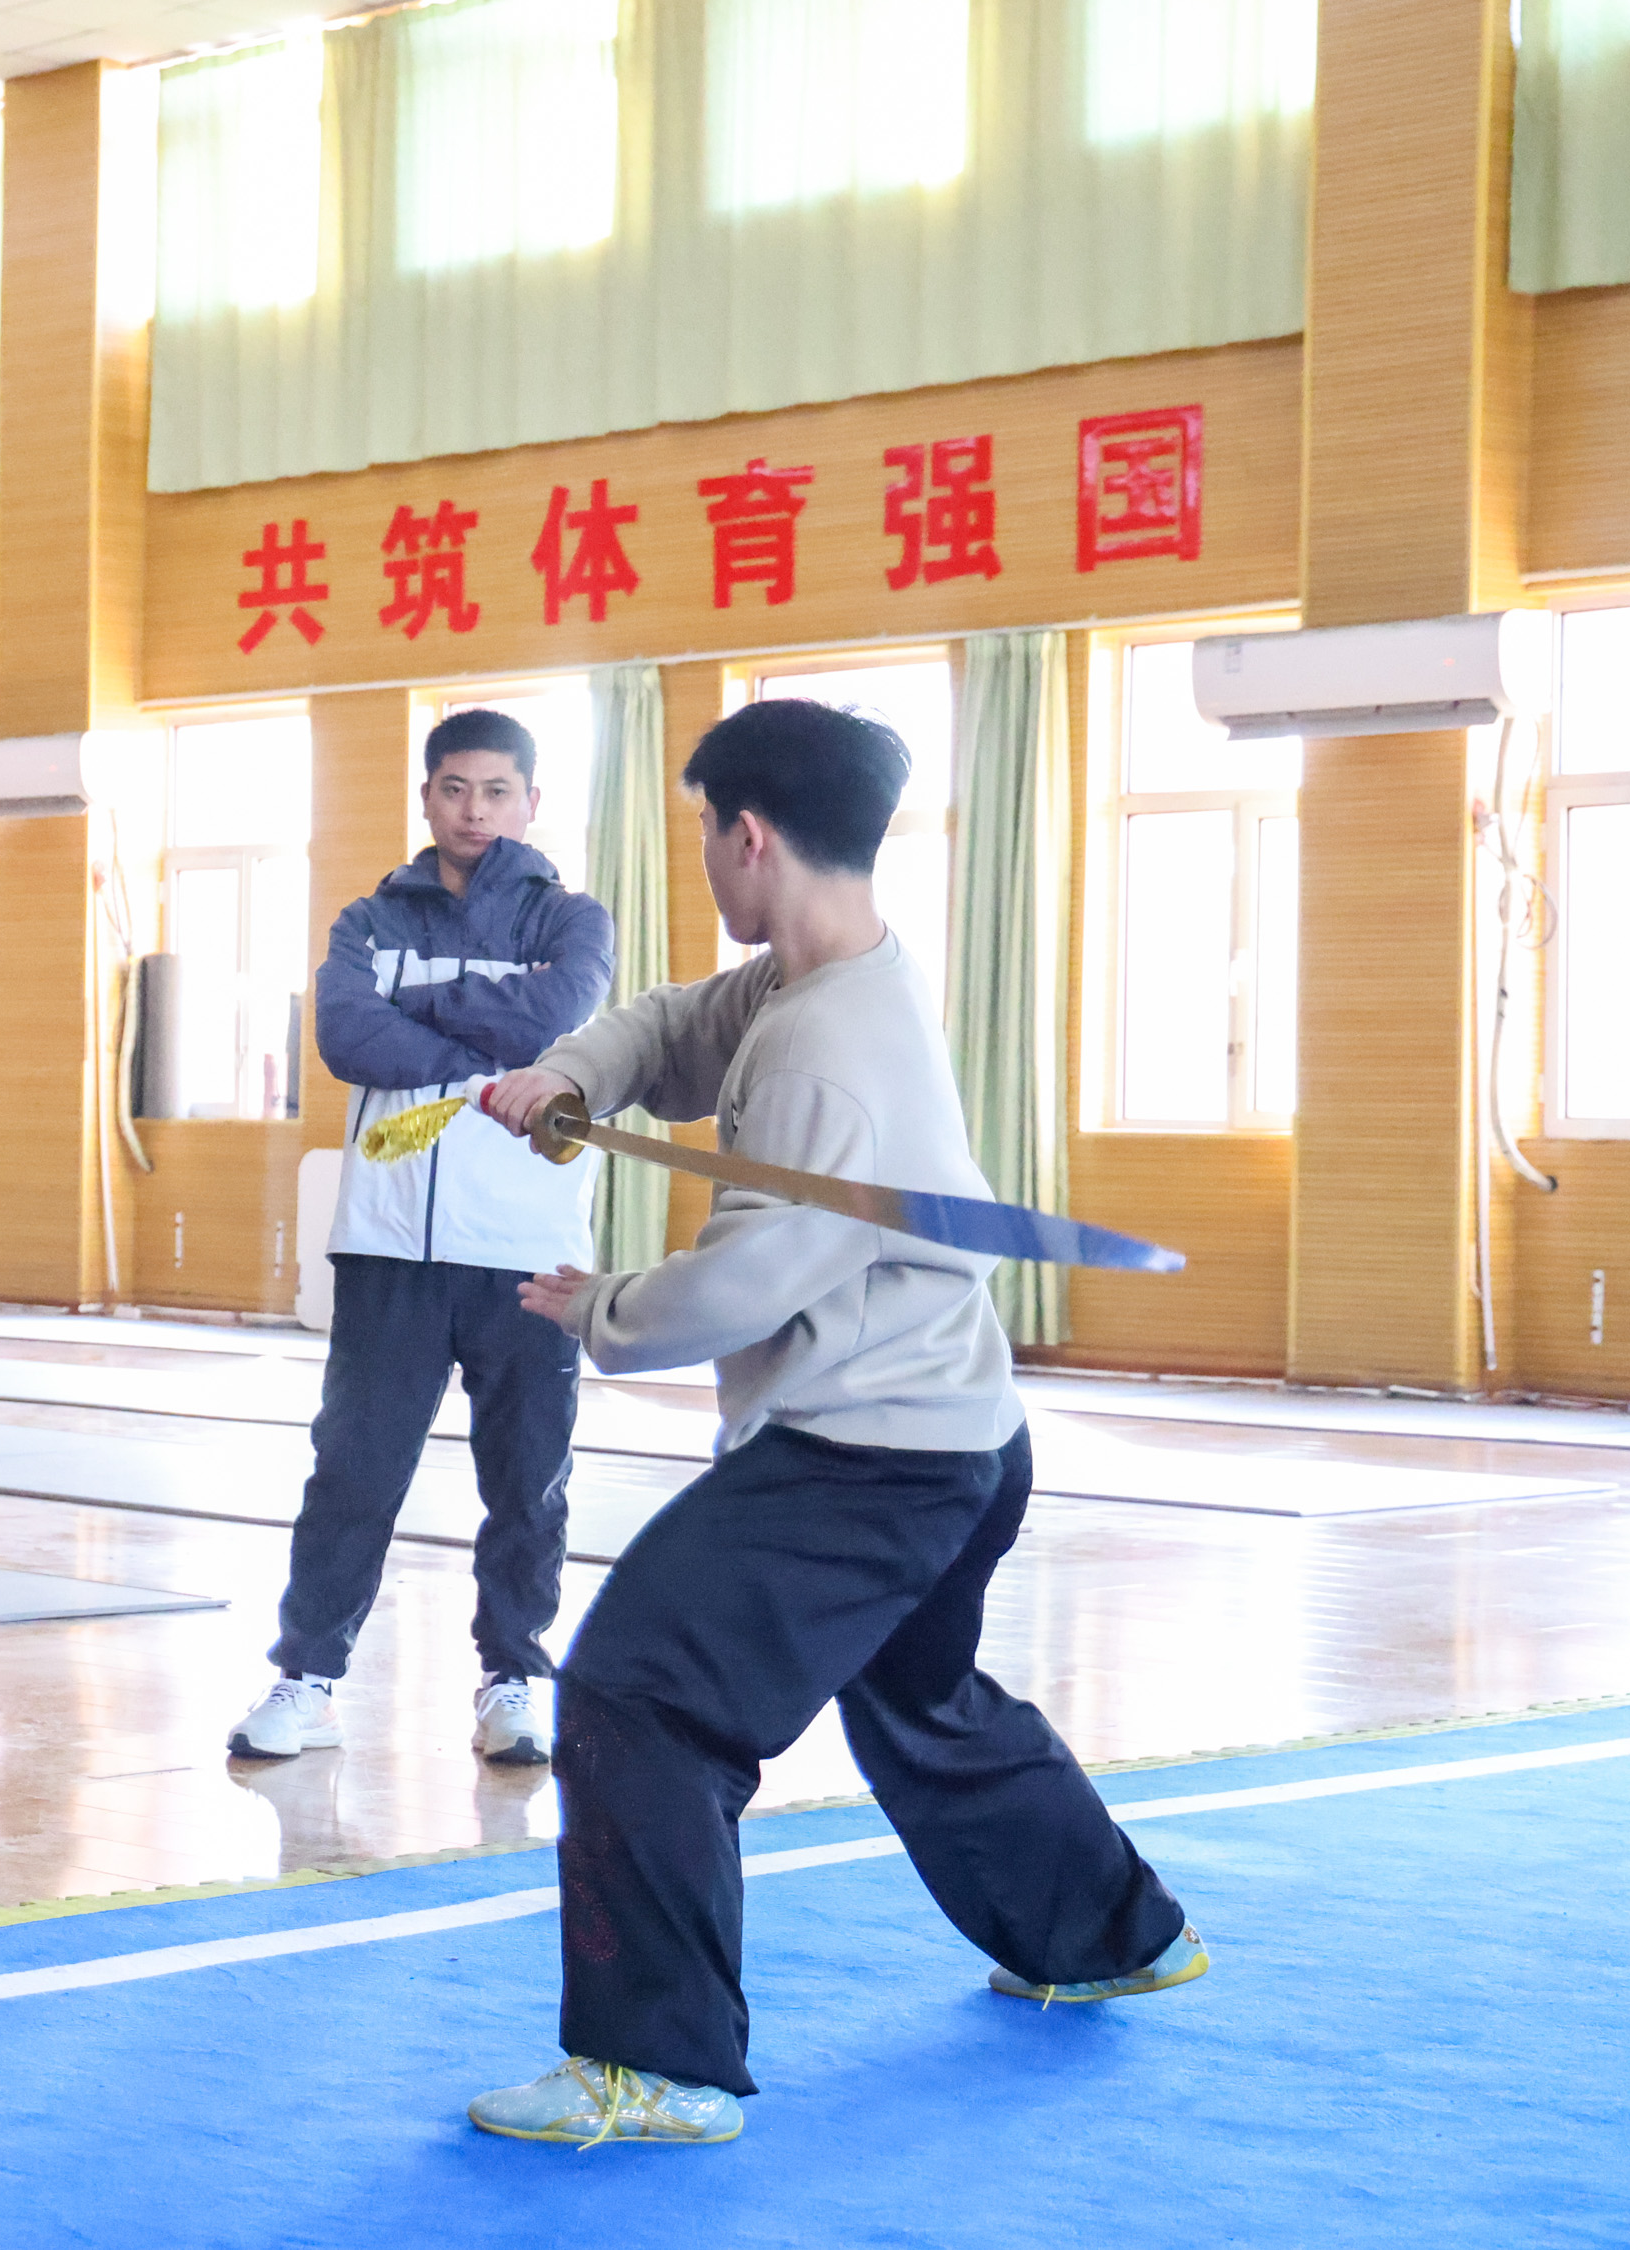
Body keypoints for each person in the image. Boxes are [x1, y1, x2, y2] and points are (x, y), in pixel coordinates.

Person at [461, 699, 1198, 2148]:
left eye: (704, 831)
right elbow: (676, 1023)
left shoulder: (825, 1049)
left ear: (749, 835)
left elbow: (742, 1283)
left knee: (638, 1696)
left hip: (869, 1463)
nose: (703, 858)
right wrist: (575, 1073)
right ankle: (1112, 1933)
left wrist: (594, 1306)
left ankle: (654, 2066)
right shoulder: (812, 981)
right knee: (920, 1696)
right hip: (958, 1439)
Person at [232, 710, 612, 1769]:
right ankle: (309, 1678)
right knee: (351, 1471)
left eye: (496, 791)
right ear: (427, 797)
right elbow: (347, 1036)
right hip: (388, 1243)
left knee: (526, 1480)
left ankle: (514, 1678)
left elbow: (551, 1017)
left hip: (528, 1246)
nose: (474, 810)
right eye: (454, 788)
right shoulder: (368, 919)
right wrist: (482, 1026)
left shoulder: (572, 921)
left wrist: (426, 1017)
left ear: (530, 801)